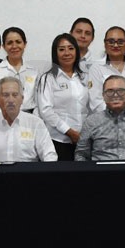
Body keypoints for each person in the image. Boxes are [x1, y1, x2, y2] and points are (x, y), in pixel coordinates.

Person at [0, 77, 57, 163]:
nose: (11, 100)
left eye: (15, 95)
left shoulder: (36, 123)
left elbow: (50, 156)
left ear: (22, 99)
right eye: (5, 95)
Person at [36, 34, 91, 162]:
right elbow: (46, 111)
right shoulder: (48, 78)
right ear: (55, 53)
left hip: (84, 139)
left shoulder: (85, 77)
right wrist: (69, 132)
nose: (67, 53)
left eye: (71, 48)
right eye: (61, 49)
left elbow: (90, 107)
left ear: (76, 51)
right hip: (58, 140)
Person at [89, 27, 125, 113]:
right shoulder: (96, 68)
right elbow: (96, 101)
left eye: (120, 42)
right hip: (105, 119)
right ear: (105, 44)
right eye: (111, 41)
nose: (116, 45)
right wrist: (112, 117)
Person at [0, 27, 42, 114]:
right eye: (10, 43)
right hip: (3, 118)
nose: (14, 46)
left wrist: (32, 119)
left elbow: (39, 103)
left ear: (25, 44)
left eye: (18, 42)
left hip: (30, 118)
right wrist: (7, 119)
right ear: (4, 46)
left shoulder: (34, 72)